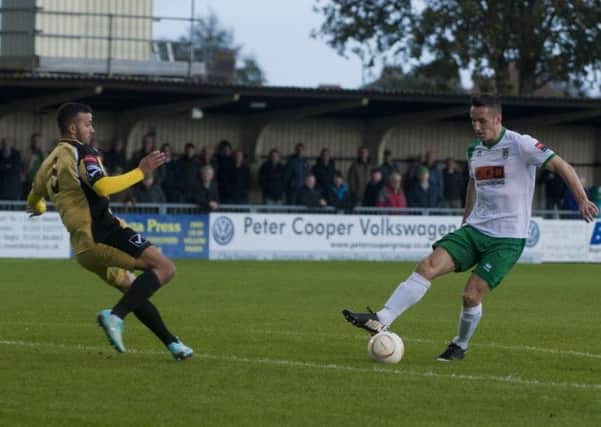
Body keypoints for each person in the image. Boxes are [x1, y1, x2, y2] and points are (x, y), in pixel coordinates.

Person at [342, 94, 598, 361]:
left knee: (470, 295)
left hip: (507, 239)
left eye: (482, 121)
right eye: (473, 121)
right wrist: (465, 219)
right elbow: (473, 184)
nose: (477, 127)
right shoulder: (474, 151)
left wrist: (581, 199)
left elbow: (561, 165)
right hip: (475, 230)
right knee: (427, 266)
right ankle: (381, 318)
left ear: (498, 119)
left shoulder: (521, 144)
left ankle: (459, 345)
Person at [25, 103, 193, 360]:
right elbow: (102, 187)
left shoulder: (49, 161)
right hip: (102, 232)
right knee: (164, 268)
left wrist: (39, 208)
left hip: (82, 248)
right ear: (73, 127)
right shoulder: (82, 152)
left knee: (134, 290)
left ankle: (173, 344)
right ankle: (114, 317)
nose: (92, 129)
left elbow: (34, 197)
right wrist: (141, 171)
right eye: (87, 124)